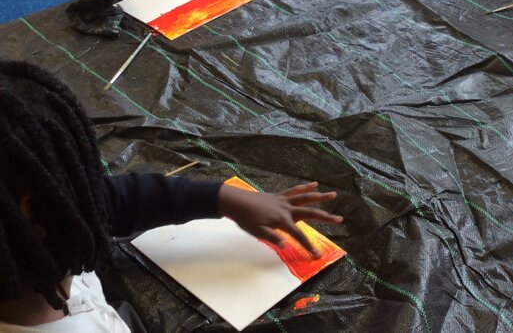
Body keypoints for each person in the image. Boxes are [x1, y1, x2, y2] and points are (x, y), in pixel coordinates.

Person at [0, 60, 343, 331]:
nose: (97, 190)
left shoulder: (21, 250)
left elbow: (113, 200)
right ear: (36, 214)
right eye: (82, 179)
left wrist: (224, 198)